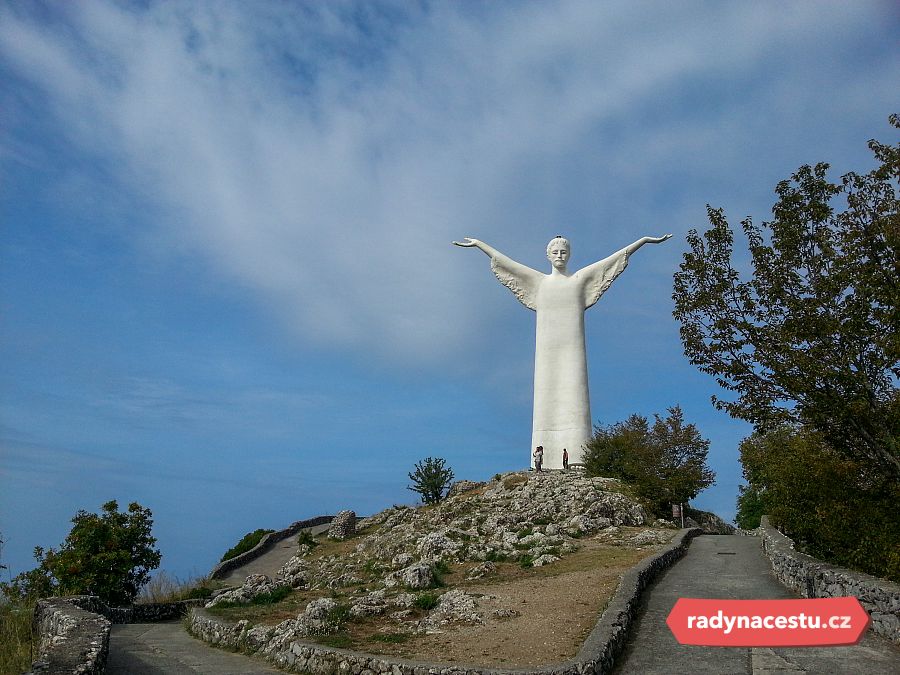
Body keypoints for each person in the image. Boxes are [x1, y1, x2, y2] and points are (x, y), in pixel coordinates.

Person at [454, 233, 671, 469]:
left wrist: (643, 241)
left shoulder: (578, 280)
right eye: (555, 252)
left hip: (573, 350)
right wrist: (479, 245)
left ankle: (579, 457)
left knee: (575, 396)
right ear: (548, 255)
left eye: (563, 252)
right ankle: (542, 461)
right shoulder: (539, 282)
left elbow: (612, 260)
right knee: (544, 398)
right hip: (546, 352)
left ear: (570, 255)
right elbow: (508, 264)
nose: (559, 256)